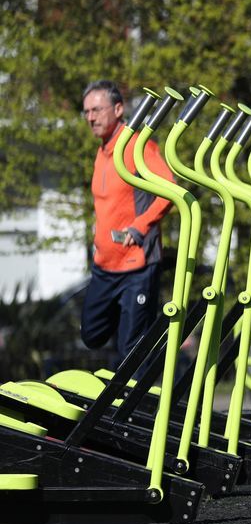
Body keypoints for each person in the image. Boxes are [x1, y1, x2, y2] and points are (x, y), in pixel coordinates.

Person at [80, 80, 174, 365]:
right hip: (105, 266)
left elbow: (170, 189)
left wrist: (140, 226)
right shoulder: (102, 151)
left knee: (132, 348)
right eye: (86, 112)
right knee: (90, 334)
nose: (91, 118)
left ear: (118, 109)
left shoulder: (137, 146)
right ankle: (137, 330)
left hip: (137, 265)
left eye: (97, 110)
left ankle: (138, 402)